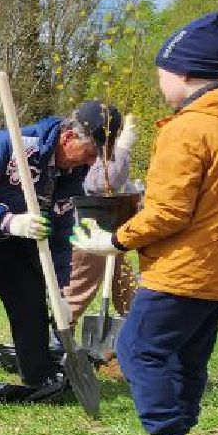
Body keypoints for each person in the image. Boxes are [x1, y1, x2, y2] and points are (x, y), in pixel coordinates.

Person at [72, 11, 218, 435]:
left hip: (189, 266)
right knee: (186, 353)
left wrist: (114, 240)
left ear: (183, 72)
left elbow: (168, 212)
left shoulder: (189, 128)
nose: (160, 82)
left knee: (139, 348)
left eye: (161, 72)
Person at [0, 100, 119, 408]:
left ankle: (38, 373)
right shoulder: (11, 145)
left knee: (30, 295)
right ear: (69, 138)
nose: (93, 163)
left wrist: (63, 292)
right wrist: (10, 220)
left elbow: (59, 234)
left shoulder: (72, 174)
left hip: (6, 238)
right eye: (92, 153)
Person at [64, 113, 140, 323]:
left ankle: (141, 327)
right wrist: (124, 146)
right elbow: (108, 181)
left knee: (125, 285)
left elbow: (120, 185)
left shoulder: (105, 156)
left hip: (110, 231)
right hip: (87, 234)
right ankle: (59, 334)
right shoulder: (87, 157)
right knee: (79, 288)